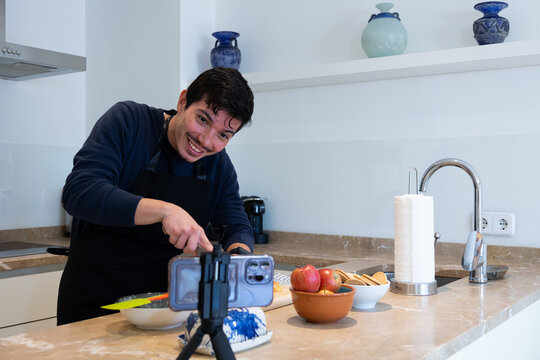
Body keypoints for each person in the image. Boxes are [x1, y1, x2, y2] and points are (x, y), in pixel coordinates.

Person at [57, 67, 255, 325]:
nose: (206, 141)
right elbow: (79, 190)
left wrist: (237, 258)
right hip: (94, 305)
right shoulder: (129, 122)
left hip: (163, 311)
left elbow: (236, 223)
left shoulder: (218, 164)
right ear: (183, 101)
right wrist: (166, 211)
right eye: (203, 119)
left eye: (223, 135)